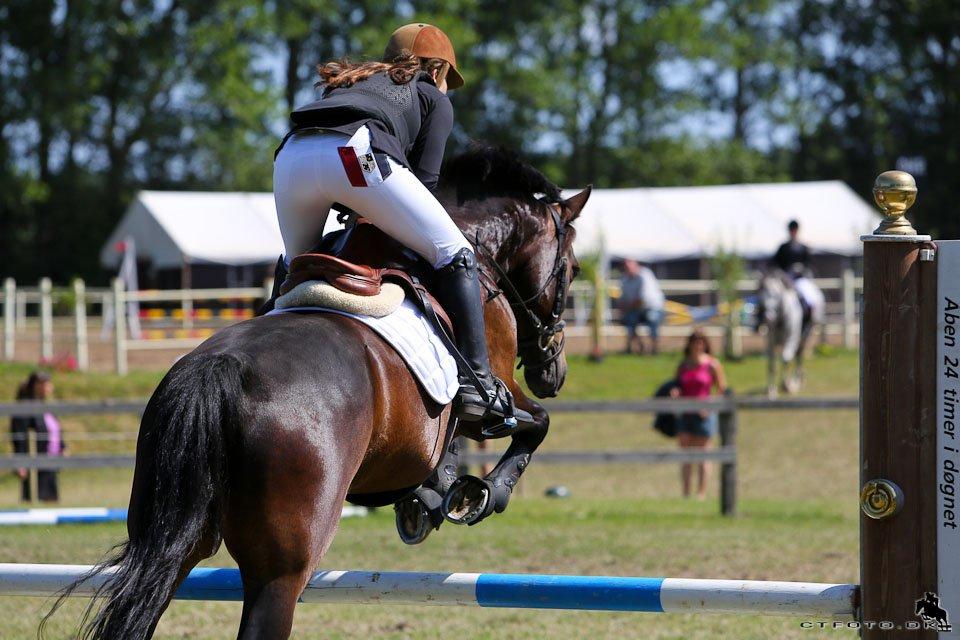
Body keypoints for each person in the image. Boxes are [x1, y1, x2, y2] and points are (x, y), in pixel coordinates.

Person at [272, 23, 531, 429]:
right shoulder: (431, 93)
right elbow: (425, 184)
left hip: (291, 156)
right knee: (456, 253)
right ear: (441, 68)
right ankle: (477, 383)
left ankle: (267, 341)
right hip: (355, 154)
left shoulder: (357, 78)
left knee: (294, 263)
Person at [670, 330, 726, 500]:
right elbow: (677, 385)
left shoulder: (712, 365)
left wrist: (710, 406)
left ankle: (701, 493)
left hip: (704, 414)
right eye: (694, 341)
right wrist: (676, 394)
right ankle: (686, 493)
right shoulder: (683, 365)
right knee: (686, 455)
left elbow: (721, 389)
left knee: (703, 454)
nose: (697, 345)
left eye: (700, 341)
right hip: (686, 413)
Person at [10, 371, 65, 502]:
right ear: (36, 386)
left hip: (51, 462)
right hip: (36, 466)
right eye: (46, 383)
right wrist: (20, 462)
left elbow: (55, 430)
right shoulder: (25, 408)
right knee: (36, 501)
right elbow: (19, 436)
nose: (50, 387)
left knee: (51, 501)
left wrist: (63, 447)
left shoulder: (46, 407)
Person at [770, 220, 824, 321]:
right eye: (791, 230)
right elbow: (775, 263)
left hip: (799, 279)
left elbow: (808, 264)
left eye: (794, 230)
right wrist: (781, 273)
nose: (793, 232)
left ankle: (810, 319)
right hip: (784, 279)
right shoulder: (783, 247)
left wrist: (801, 268)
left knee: (809, 297)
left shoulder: (803, 247)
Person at [619, 259, 665, 355]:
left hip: (653, 308)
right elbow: (623, 299)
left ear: (636, 265)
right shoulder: (624, 278)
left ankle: (654, 349)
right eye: (626, 267)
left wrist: (628, 306)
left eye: (629, 267)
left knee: (652, 318)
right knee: (628, 320)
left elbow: (641, 300)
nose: (627, 269)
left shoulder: (645, 275)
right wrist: (624, 308)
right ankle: (637, 346)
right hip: (636, 309)